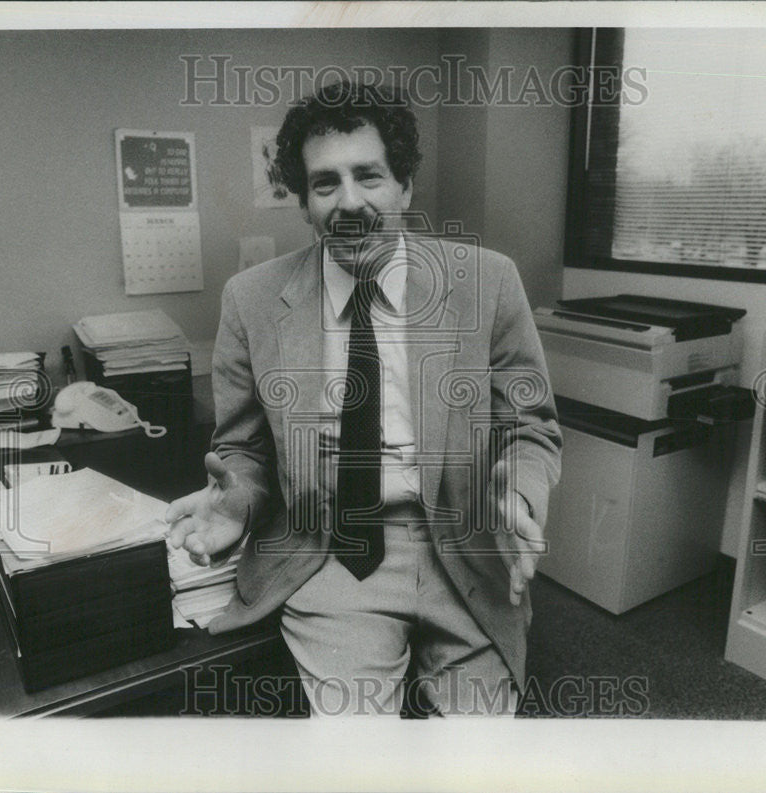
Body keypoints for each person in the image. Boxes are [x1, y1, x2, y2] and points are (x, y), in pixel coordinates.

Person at [166, 81, 561, 716]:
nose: (349, 202)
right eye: (325, 184)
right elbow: (242, 449)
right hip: (330, 551)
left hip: (467, 545)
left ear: (404, 186)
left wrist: (516, 493)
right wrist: (236, 502)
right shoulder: (252, 299)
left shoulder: (489, 282)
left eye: (369, 176)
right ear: (303, 202)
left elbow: (531, 427)